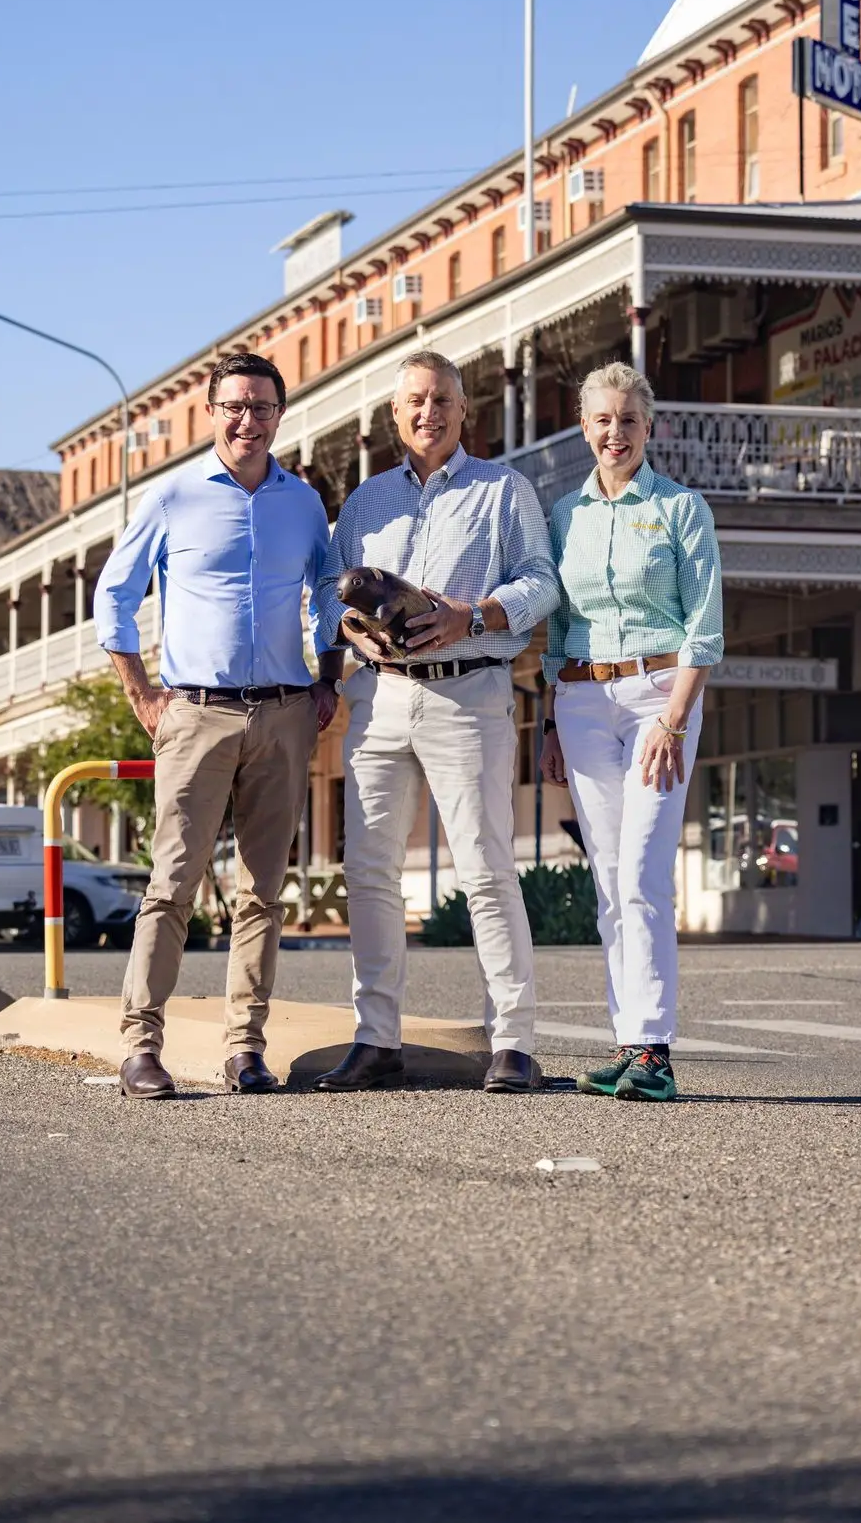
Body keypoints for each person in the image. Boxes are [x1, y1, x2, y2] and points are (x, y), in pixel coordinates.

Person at [94, 350, 342, 1100]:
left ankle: (245, 1048)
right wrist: (141, 695)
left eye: (261, 407)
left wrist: (328, 677)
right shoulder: (172, 497)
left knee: (263, 891)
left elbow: (328, 589)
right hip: (195, 712)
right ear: (212, 414)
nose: (247, 419)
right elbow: (114, 595)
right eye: (234, 406)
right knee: (172, 883)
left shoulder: (303, 503)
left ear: (278, 415)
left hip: (285, 711)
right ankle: (141, 1045)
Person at [314, 351, 560, 1094]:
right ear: (396, 416)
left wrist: (471, 616)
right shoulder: (363, 505)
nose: (429, 412)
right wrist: (347, 631)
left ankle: (513, 1042)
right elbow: (329, 591)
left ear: (464, 411)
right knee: (369, 872)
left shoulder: (503, 490)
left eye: (443, 400)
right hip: (380, 697)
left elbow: (542, 583)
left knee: (485, 869)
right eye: (415, 401)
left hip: (470, 693)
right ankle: (376, 1038)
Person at [540, 362, 723, 1103]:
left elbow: (704, 628)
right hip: (581, 700)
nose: (615, 433)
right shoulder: (563, 517)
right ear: (585, 428)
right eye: (603, 420)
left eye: (629, 421)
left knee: (643, 873)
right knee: (608, 882)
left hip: (658, 696)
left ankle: (655, 1050)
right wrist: (548, 726)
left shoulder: (682, 510)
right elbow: (556, 628)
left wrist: (675, 720)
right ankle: (629, 1043)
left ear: (649, 429)